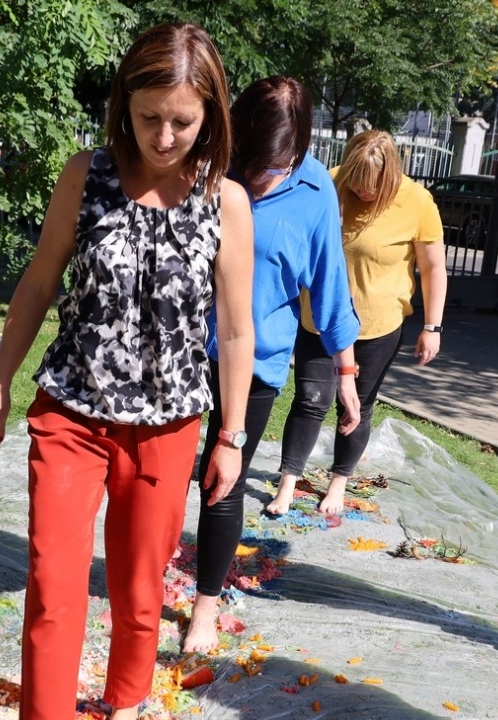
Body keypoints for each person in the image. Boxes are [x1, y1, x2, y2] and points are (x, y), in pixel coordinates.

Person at [0, 23, 255, 720]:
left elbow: (237, 333)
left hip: (170, 427)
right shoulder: (85, 175)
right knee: (54, 587)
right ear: (121, 110)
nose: (163, 138)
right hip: (72, 414)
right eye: (147, 120)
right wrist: (1, 377)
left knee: (139, 589)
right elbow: (39, 278)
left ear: (209, 116)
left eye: (181, 122)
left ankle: (126, 702)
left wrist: (231, 437)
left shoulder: (225, 203)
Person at [181, 75, 362, 654]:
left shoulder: (316, 192)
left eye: (274, 169)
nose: (259, 182)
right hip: (179, 353)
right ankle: (143, 574)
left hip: (255, 363)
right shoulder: (204, 165)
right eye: (252, 166)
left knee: (222, 483)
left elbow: (330, 285)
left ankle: (204, 609)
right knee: (164, 475)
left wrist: (347, 374)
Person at [266, 128, 448, 519]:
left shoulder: (416, 201)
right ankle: (288, 483)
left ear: (391, 175)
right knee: (311, 399)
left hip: (378, 326)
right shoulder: (326, 185)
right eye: (357, 183)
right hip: (320, 321)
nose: (363, 192)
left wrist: (432, 326)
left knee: (358, 407)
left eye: (373, 186)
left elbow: (433, 268)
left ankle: (338, 481)